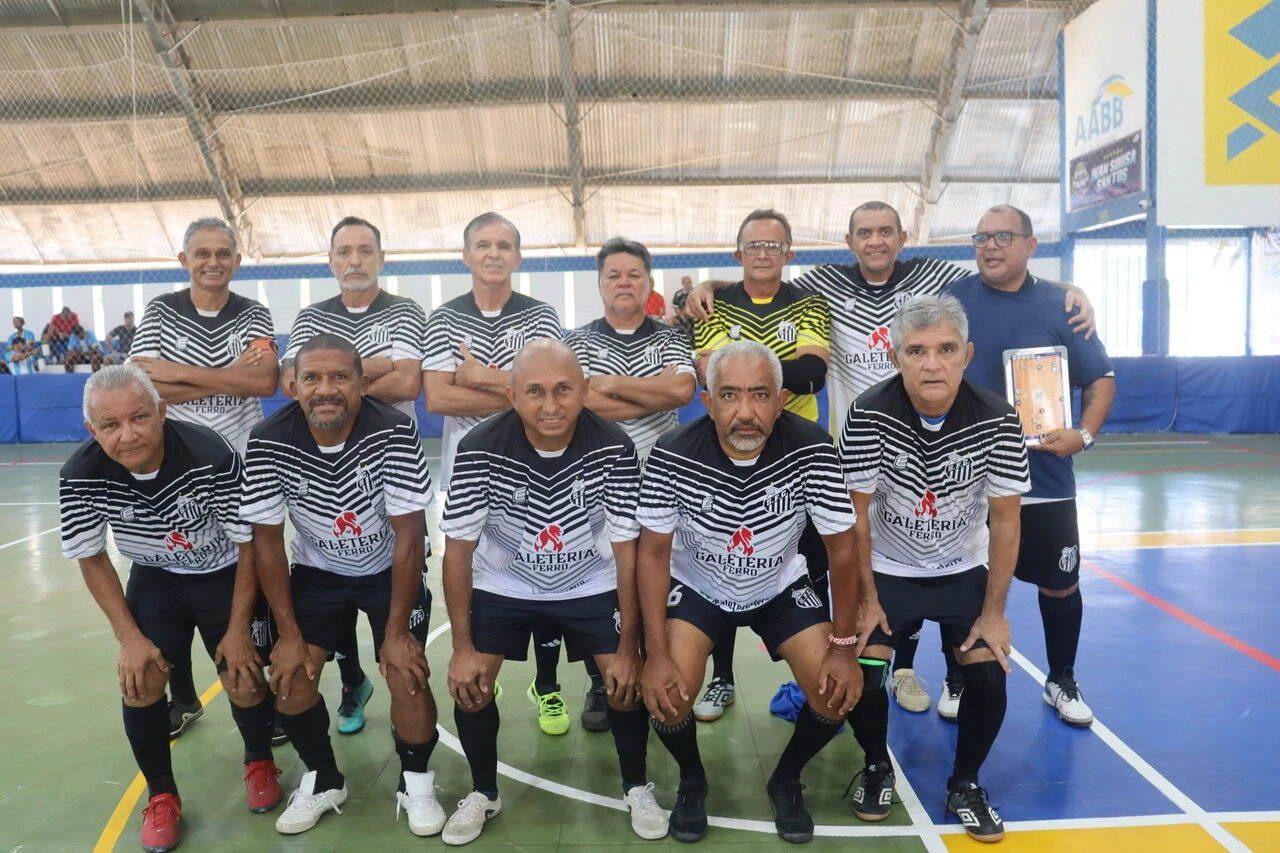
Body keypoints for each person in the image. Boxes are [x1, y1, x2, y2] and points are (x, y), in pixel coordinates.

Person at [688, 200, 1095, 719]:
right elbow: (765, 274)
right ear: (850, 240)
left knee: (927, 555)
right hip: (854, 455)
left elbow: (1000, 273)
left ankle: (913, 671)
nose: (875, 240)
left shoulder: (934, 276)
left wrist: (1065, 291)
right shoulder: (823, 286)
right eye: (864, 232)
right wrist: (712, 287)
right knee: (849, 571)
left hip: (921, 448)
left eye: (885, 231)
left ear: (903, 237)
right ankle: (824, 673)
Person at [439, 339, 666, 844]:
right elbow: (457, 550)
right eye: (535, 392)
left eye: (564, 390)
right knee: (471, 686)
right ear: (513, 395)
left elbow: (629, 551)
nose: (550, 405)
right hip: (505, 583)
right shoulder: (479, 447)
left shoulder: (613, 446)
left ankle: (636, 786)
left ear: (584, 390)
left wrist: (630, 648)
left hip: (589, 580)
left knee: (625, 685)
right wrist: (461, 648)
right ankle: (483, 793)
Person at [636, 341, 863, 844]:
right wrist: (654, 653)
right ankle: (693, 780)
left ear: (780, 401)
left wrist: (844, 647)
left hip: (779, 584)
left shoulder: (811, 447)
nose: (745, 412)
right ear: (707, 400)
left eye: (760, 395)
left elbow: (842, 552)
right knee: (670, 698)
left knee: (835, 695)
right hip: (699, 587)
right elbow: (651, 556)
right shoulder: (673, 454)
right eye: (730, 395)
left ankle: (786, 778)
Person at [59, 365, 282, 853]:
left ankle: (259, 759)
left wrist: (240, 626)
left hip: (225, 572)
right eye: (110, 425)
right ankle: (161, 795)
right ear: (91, 430)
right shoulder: (80, 474)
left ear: (161, 412)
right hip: (156, 578)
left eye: (139, 417)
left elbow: (249, 545)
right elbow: (91, 557)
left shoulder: (209, 453)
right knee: (140, 682)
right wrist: (128, 638)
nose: (128, 434)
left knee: (242, 675)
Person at [838, 295, 1029, 842]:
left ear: (966, 355)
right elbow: (856, 518)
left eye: (945, 349)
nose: (931, 363)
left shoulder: (997, 417)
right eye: (916, 350)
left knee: (988, 670)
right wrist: (867, 599)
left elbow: (1007, 523)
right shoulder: (869, 412)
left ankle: (965, 783)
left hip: (961, 568)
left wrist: (995, 613)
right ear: (896, 356)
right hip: (889, 568)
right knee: (867, 668)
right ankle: (876, 766)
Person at [241, 334, 442, 837]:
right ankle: (324, 778)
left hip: (388, 570)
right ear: (292, 386)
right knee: (290, 676)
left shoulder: (394, 431)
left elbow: (410, 534)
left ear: (362, 384)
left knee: (406, 672)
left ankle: (416, 780)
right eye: (312, 378)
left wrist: (396, 632)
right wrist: (287, 635)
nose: (325, 389)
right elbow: (267, 541)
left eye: (339, 377)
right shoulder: (268, 439)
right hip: (317, 573)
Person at [947, 205, 1115, 729]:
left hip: (1045, 478)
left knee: (1060, 583)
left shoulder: (1063, 307)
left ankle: (1061, 678)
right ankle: (958, 676)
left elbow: (1101, 379)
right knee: (960, 583)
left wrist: (1083, 435)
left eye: (1002, 236)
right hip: (965, 480)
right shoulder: (953, 300)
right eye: (981, 237)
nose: (990, 246)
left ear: (1029, 245)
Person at [129, 216, 280, 741]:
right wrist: (226, 378)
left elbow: (264, 378)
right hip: (176, 468)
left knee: (249, 572)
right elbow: (141, 386)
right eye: (202, 253)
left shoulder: (253, 312)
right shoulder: (162, 311)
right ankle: (184, 697)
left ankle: (263, 686)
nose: (212, 262)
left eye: (223, 253)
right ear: (184, 260)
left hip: (242, 466)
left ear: (236, 261)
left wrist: (180, 375)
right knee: (177, 568)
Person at [538, 238, 697, 733]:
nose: (624, 282)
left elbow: (682, 390)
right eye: (614, 275)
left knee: (662, 585)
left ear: (648, 282)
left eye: (633, 274)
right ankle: (602, 680)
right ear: (600, 283)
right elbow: (574, 405)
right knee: (602, 590)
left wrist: (605, 384)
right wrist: (636, 393)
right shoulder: (576, 343)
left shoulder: (670, 337)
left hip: (663, 483)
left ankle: (658, 670)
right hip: (596, 484)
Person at [281, 216, 427, 737]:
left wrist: (339, 387)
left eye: (366, 251)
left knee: (388, 567)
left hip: (387, 470)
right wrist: (370, 371)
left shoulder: (406, 310)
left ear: (381, 258)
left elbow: (410, 382)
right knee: (331, 587)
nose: (355, 261)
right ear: (331, 261)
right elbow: (287, 383)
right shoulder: (309, 316)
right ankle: (351, 683)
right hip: (320, 468)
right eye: (345, 252)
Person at [422, 212, 566, 734]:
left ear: (518, 257)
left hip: (534, 467)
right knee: (480, 577)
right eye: (483, 244)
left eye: (504, 245)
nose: (493, 253)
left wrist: (481, 375)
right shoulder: (443, 319)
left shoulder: (541, 316)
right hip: (470, 471)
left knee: (548, 572)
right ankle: (486, 662)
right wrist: (517, 390)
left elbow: (551, 390)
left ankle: (546, 684)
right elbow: (437, 395)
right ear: (466, 255)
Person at [688, 209, 832, 724]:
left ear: (789, 254)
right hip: (730, 450)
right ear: (738, 254)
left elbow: (813, 373)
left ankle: (805, 670)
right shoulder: (716, 303)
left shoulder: (811, 303)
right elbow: (710, 373)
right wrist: (774, 368)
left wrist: (742, 365)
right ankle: (722, 679)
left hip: (795, 453)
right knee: (725, 564)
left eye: (774, 245)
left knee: (809, 561)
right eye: (754, 245)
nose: (764, 253)